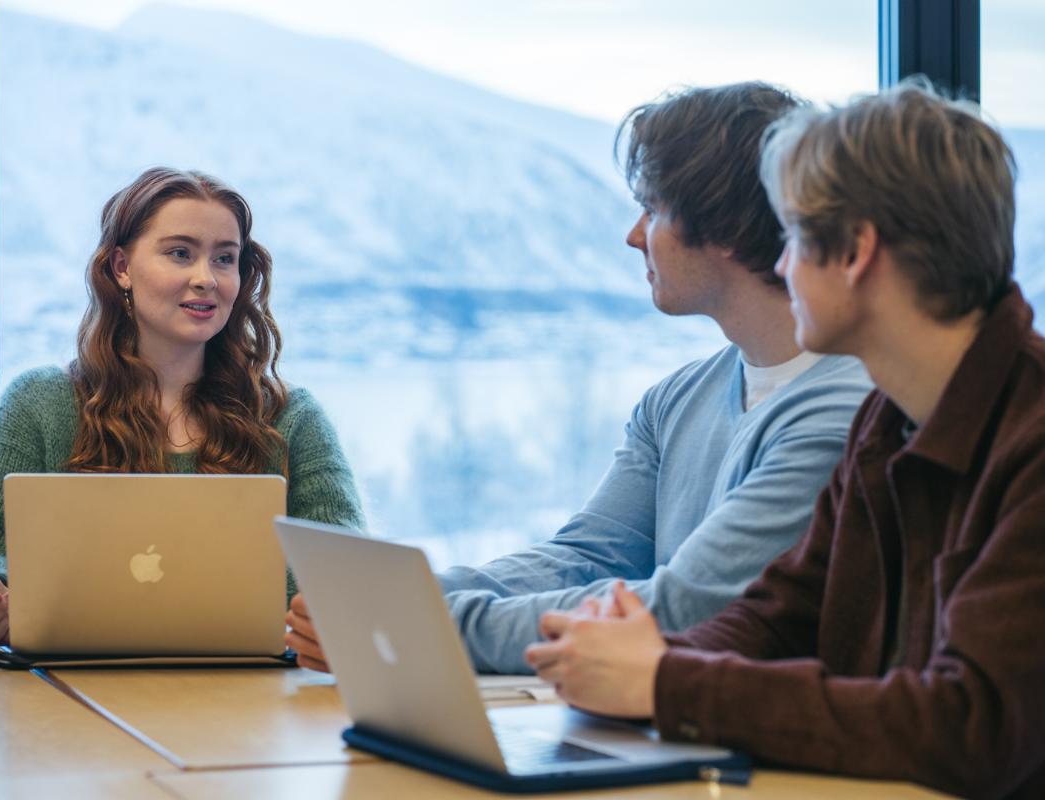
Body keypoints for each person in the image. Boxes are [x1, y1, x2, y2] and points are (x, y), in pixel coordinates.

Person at [525, 81, 1045, 798]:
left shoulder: (1035, 441)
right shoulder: (887, 421)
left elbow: (969, 726)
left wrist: (666, 682)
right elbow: (781, 615)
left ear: (856, 252)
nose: (780, 263)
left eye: (794, 235)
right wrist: (629, 666)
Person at [286, 83, 873, 674]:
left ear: (719, 227)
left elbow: (687, 610)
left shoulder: (845, 409)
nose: (634, 235)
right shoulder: (674, 400)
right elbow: (589, 557)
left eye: (653, 209)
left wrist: (413, 624)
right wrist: (396, 600)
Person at [0, 167, 365, 643]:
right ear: (121, 267)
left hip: (257, 702)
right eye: (180, 254)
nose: (206, 279)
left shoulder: (291, 418)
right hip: (65, 699)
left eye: (225, 259)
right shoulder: (37, 404)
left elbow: (349, 578)